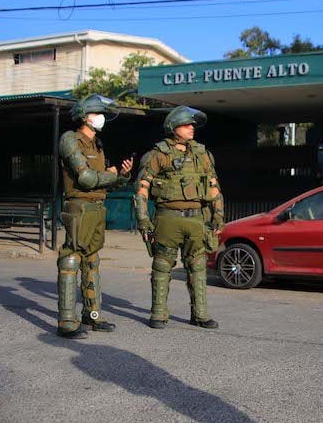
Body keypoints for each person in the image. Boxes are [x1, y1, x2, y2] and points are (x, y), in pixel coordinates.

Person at [134, 105, 223, 330]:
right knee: (162, 266)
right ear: (174, 128)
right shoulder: (158, 154)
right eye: (186, 125)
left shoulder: (202, 154)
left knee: (198, 266)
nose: (192, 128)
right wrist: (143, 220)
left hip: (196, 219)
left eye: (192, 124)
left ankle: (200, 315)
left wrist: (218, 215)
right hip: (167, 219)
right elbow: (142, 189)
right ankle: (158, 314)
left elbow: (214, 188)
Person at [57, 94, 133, 339]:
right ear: (84, 116)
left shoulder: (97, 145)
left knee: (92, 260)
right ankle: (67, 321)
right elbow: (86, 179)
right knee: (71, 258)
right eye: (97, 113)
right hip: (78, 206)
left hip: (98, 206)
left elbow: (103, 182)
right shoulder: (70, 140)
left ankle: (92, 315)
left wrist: (122, 175)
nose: (101, 118)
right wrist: (110, 175)